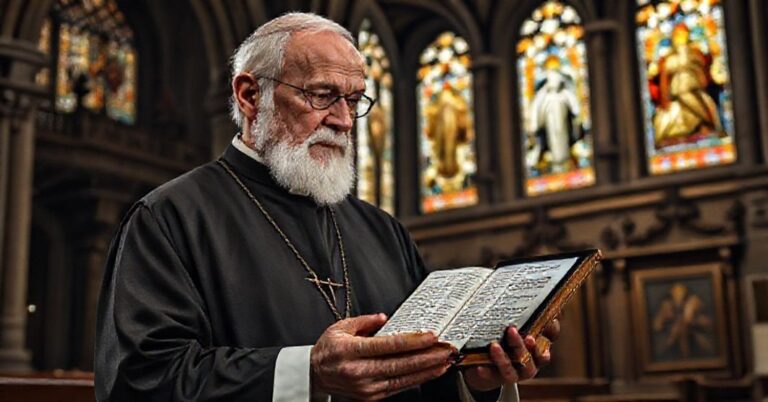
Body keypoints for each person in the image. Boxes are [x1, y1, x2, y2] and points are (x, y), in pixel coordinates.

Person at [94, 12, 559, 402]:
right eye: (321, 96)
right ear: (250, 95)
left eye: (354, 100)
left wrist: (477, 380)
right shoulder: (169, 218)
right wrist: (309, 373)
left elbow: (422, 378)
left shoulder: (382, 230)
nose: (343, 120)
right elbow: (139, 381)